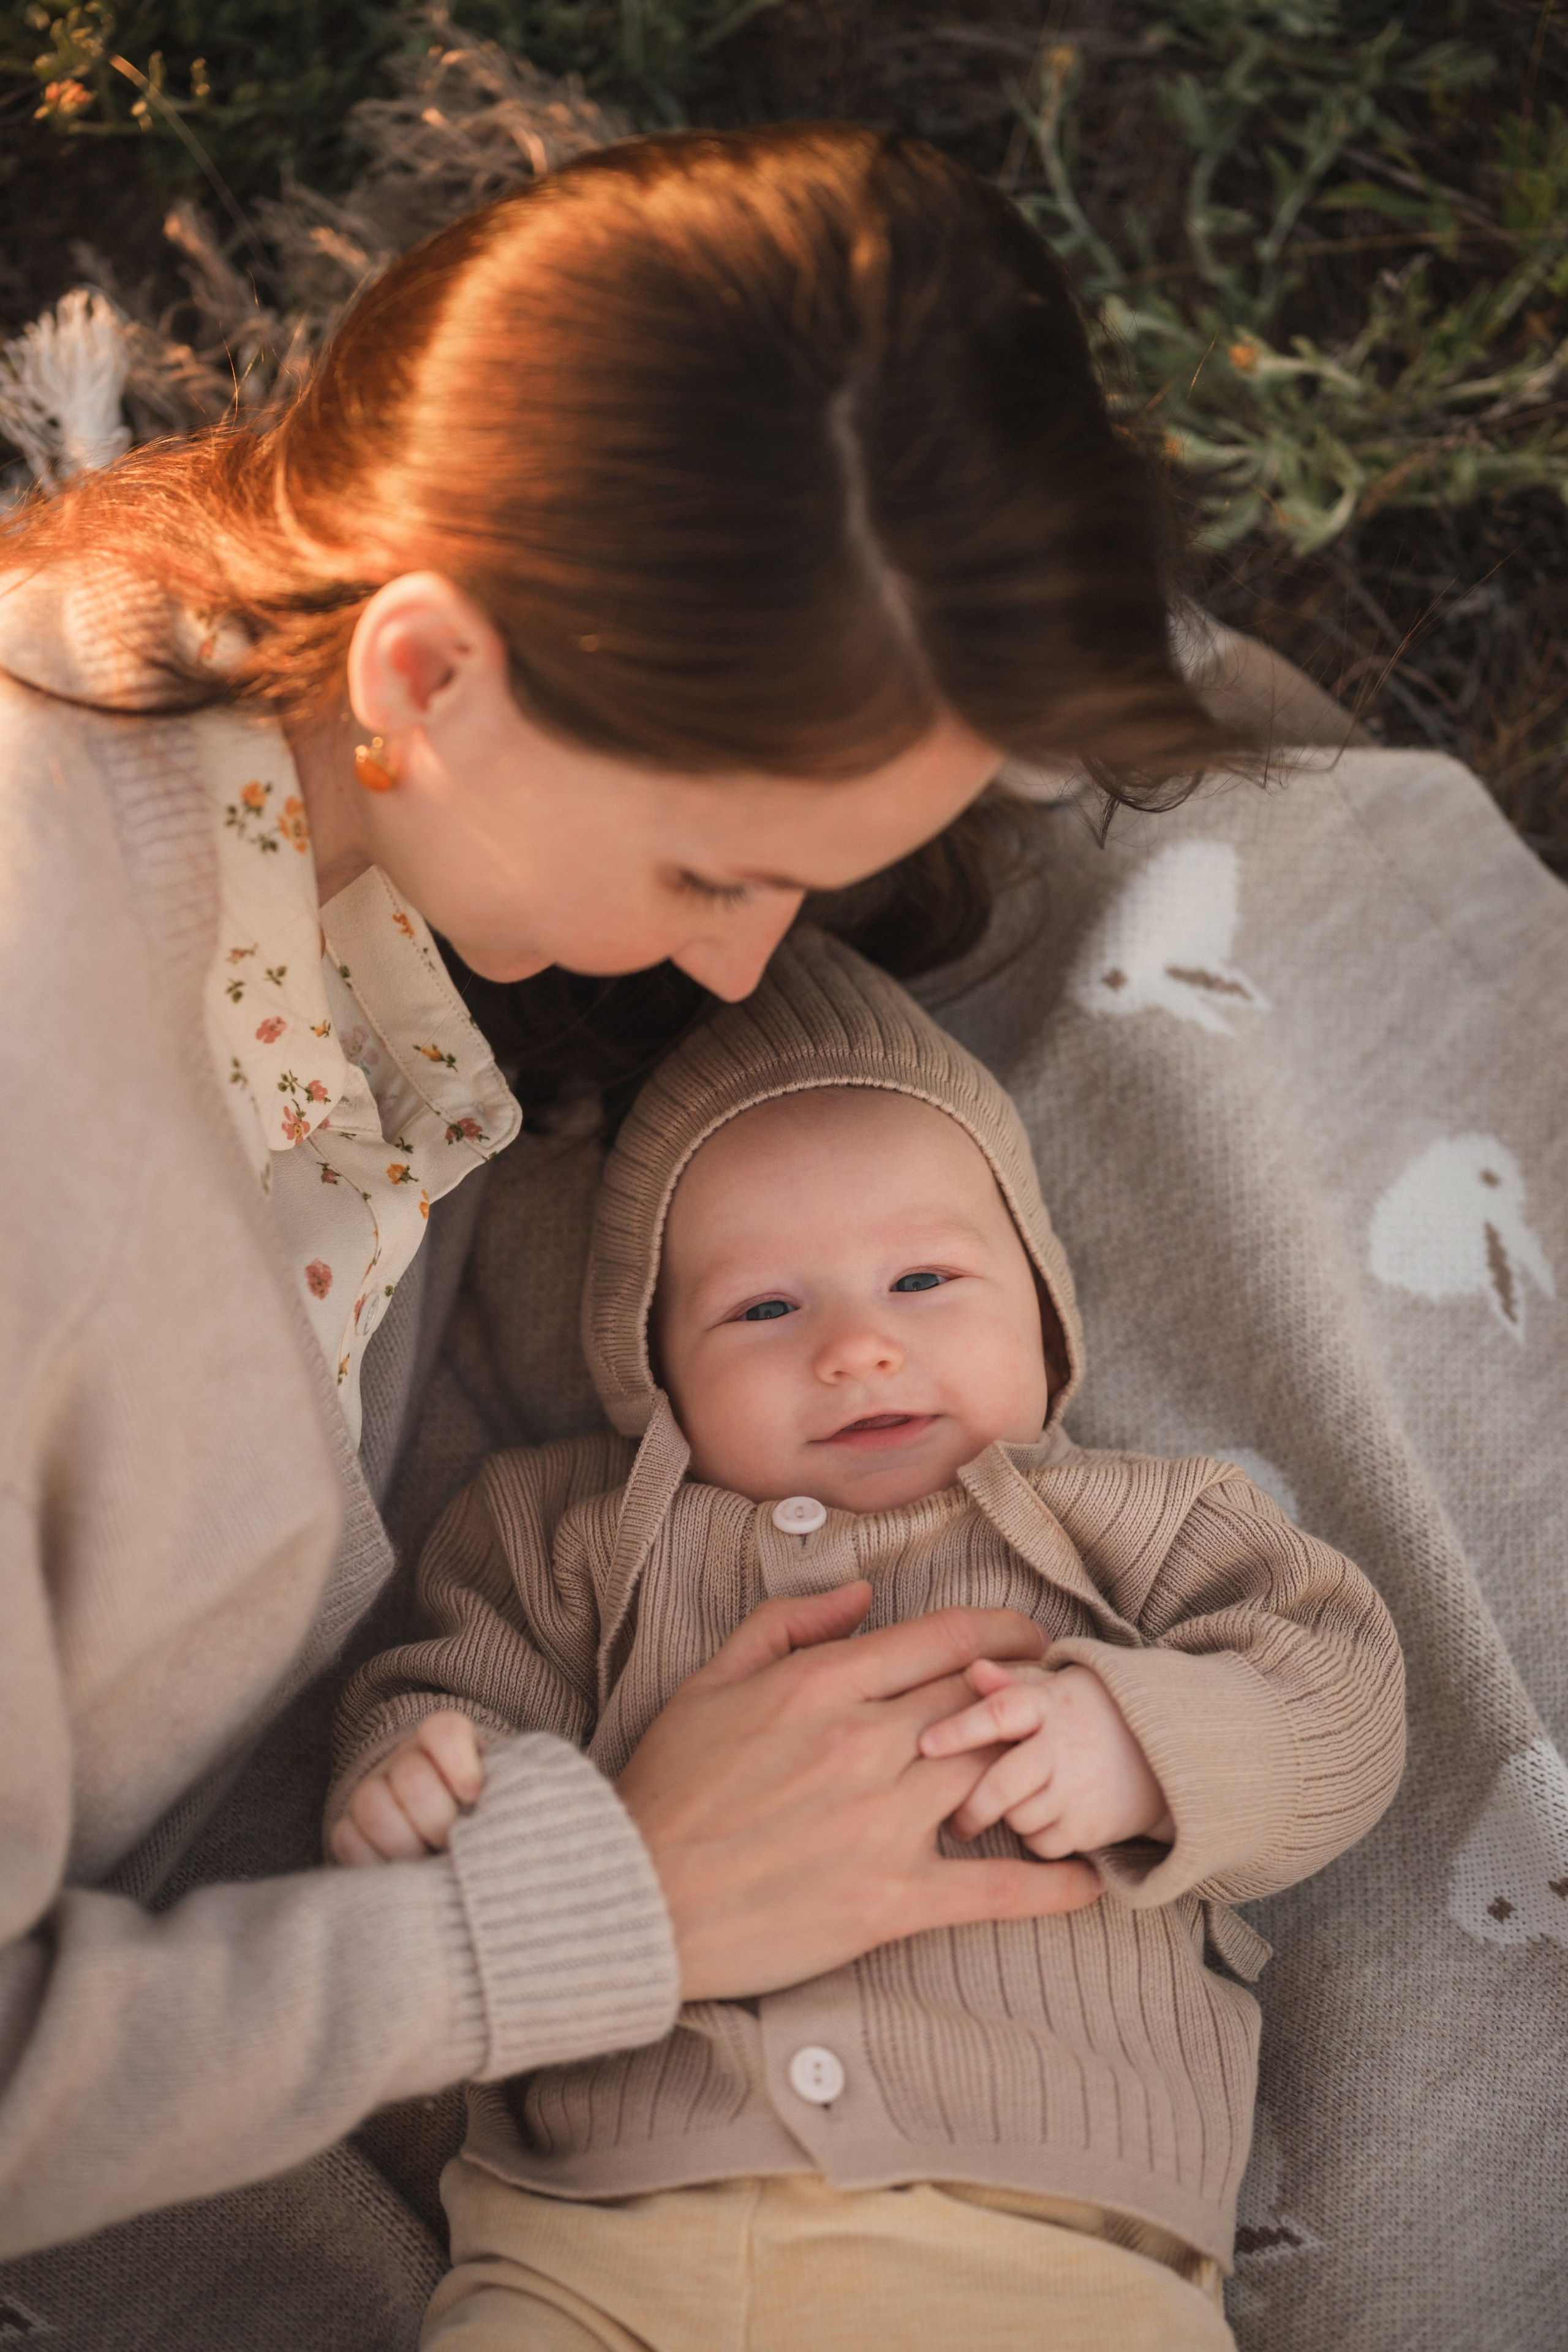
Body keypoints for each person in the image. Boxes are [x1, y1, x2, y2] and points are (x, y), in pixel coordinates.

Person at [0, 121, 1243, 2330]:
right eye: (711, 872)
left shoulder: (302, 809)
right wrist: (602, 1910)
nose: (752, 965)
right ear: (423, 679)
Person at [331, 927, 1406, 2352]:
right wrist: (417, 1771)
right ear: (651, 1370)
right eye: (765, 1307)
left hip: (1047, 2239)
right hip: (598, 2234)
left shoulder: (1139, 1523)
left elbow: (1337, 1684)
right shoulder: (565, 1532)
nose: (854, 1348)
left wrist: (1150, 1743)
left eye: (923, 1282)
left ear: (1044, 1315)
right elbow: (448, 1687)